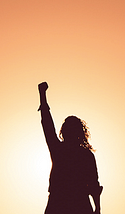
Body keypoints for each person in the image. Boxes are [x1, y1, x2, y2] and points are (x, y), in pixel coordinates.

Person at [38, 82, 103, 214]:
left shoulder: (62, 151)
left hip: (72, 203)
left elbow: (93, 184)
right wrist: (97, 208)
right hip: (64, 202)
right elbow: (47, 124)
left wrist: (42, 95)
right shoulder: (71, 152)